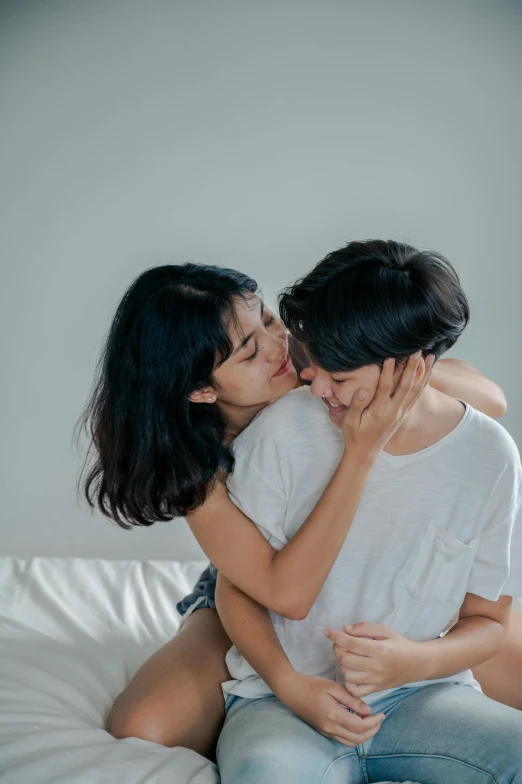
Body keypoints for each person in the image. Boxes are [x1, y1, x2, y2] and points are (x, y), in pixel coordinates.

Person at [78, 259, 517, 762]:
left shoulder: (317, 358)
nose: (276, 346)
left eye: (266, 318)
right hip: (257, 579)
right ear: (202, 390)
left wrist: (398, 385)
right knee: (144, 725)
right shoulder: (198, 472)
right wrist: (287, 684)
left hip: (389, 556)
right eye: (248, 352)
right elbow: (284, 593)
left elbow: (492, 401)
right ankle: (257, 714)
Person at [213, 240, 522, 783]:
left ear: (411, 369)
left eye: (341, 376)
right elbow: (236, 589)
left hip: (423, 698)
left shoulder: (490, 455)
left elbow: (489, 622)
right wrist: (292, 686)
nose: (316, 386)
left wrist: (414, 660)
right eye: (314, 366)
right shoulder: (285, 431)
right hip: (282, 705)